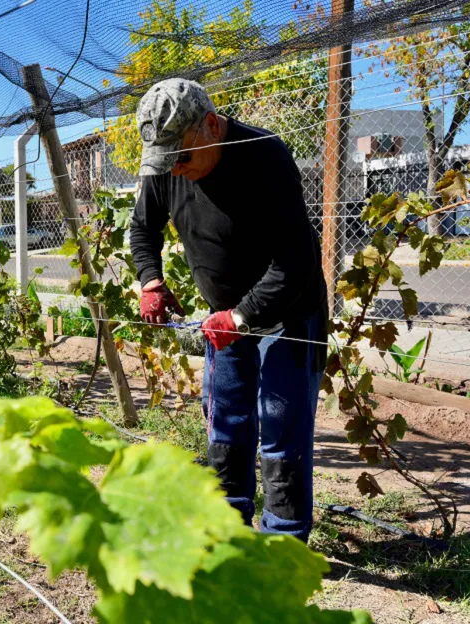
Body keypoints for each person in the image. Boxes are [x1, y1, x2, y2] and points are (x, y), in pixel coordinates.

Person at [129, 78, 328, 542]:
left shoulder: (265, 158)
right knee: (227, 422)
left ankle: (283, 545)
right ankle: (227, 530)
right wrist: (151, 282)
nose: (173, 171)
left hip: (288, 315)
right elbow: (144, 230)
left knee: (282, 428)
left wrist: (241, 318)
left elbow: (297, 261)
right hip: (225, 319)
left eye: (181, 158)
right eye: (165, 162)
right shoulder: (167, 163)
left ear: (212, 127)